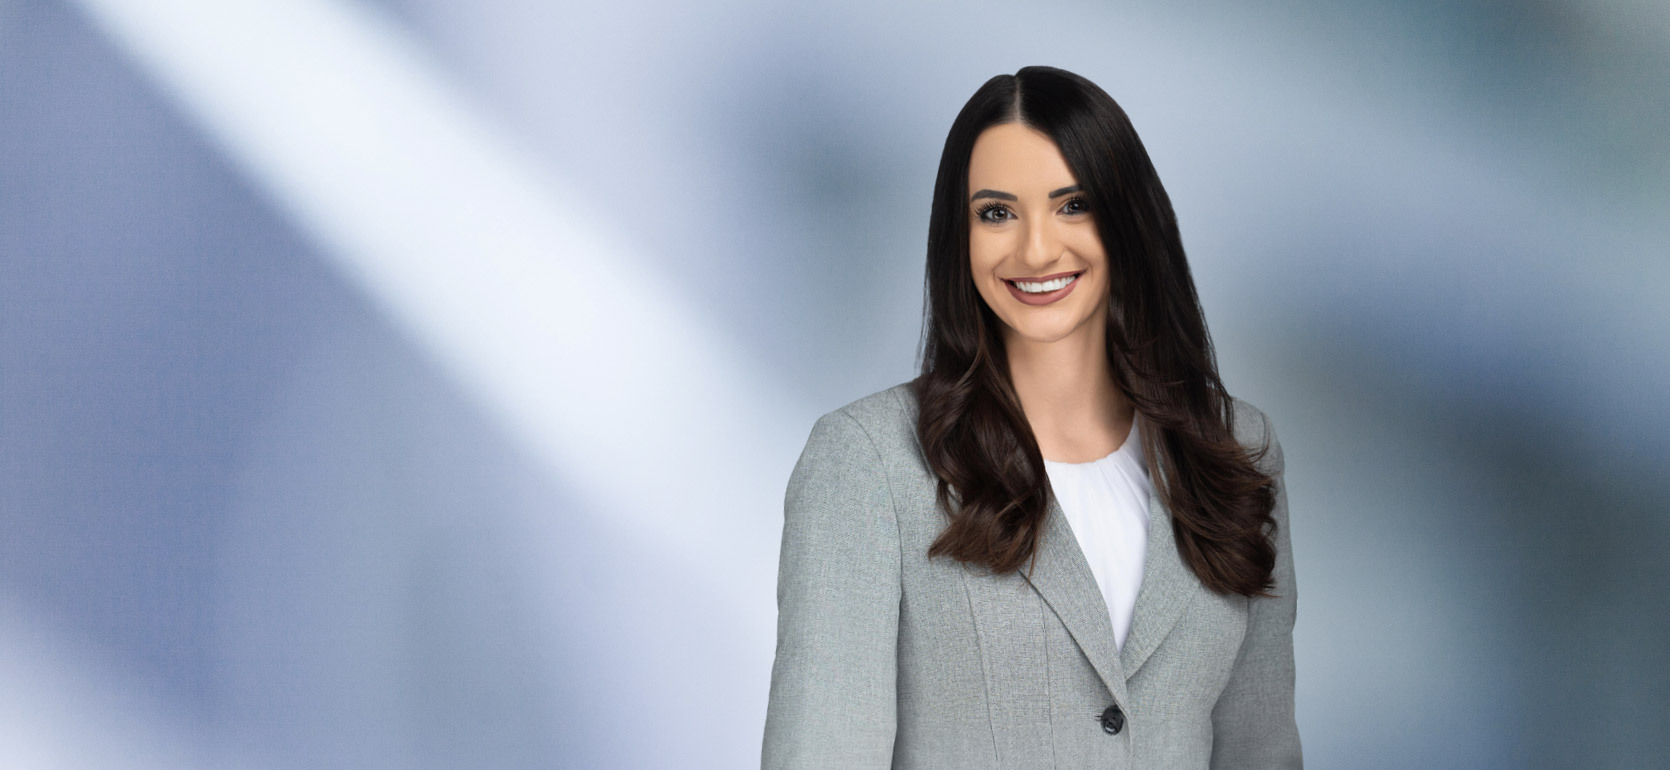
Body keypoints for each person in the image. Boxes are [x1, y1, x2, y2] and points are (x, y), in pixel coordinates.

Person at [762, 65, 1300, 769]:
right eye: (996, 213)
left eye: (1073, 205)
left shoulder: (1235, 451)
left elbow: (1261, 751)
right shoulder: (866, 462)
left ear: (1129, 221)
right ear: (960, 237)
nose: (1037, 249)